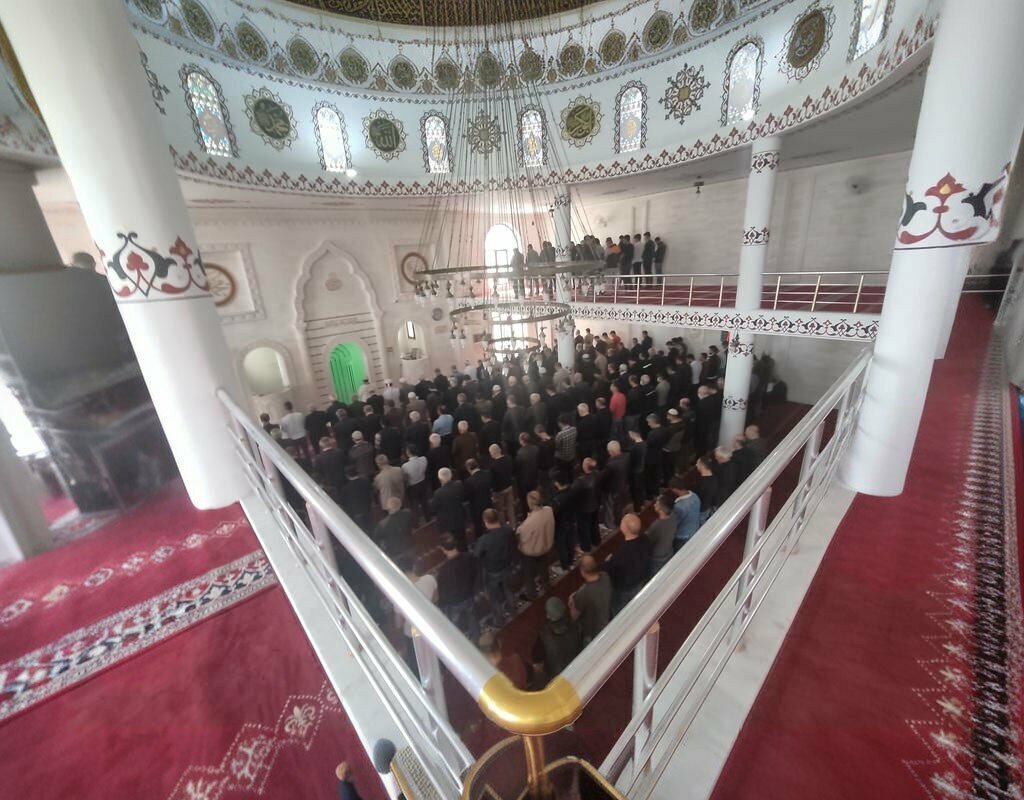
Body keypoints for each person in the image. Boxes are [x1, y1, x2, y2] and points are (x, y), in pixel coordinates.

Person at [472, 509, 517, 626]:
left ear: (486, 522)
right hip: (507, 566)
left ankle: (499, 620)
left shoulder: (484, 540)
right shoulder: (508, 530)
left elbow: (476, 554)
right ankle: (513, 610)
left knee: (494, 597)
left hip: (493, 572)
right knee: (508, 590)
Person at [604, 513, 652, 616]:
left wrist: (607, 562)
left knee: (619, 610)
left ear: (625, 528)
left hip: (623, 589)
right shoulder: (645, 539)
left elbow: (610, 571)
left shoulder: (621, 553)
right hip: (639, 581)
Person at [397, 554, 438, 673]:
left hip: (412, 632)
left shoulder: (400, 593)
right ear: (413, 567)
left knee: (415, 661)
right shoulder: (430, 579)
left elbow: (399, 622)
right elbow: (435, 599)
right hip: (431, 625)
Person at [436, 533, 479, 640]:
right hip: (468, 595)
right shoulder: (468, 557)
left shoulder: (443, 570)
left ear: (443, 549)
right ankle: (477, 641)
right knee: (473, 620)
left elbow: (442, 591)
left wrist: (442, 605)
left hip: (454, 602)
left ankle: (459, 646)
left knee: (454, 627)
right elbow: (474, 574)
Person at [516, 490, 554, 600]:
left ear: (530, 503)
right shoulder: (548, 510)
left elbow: (521, 537)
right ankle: (546, 586)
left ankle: (531, 594)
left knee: (529, 574)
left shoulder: (529, 523)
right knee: (543, 568)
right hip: (546, 546)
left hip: (531, 551)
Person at [532, 597, 581, 680]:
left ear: (548, 615)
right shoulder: (576, 626)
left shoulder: (543, 635)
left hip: (557, 676)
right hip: (577, 668)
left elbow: (536, 659)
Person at [570, 553, 612, 645]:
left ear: (582, 572)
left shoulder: (583, 593)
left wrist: (571, 601)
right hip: (607, 620)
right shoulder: (605, 576)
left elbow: (574, 616)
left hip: (592, 630)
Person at [430, 468, 466, 543]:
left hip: (448, 523)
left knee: (454, 543)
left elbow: (433, 507)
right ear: (451, 475)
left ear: (439, 479)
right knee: (462, 539)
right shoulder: (459, 485)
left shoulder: (438, 493)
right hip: (460, 517)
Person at [572, 458, 601, 552]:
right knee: (594, 524)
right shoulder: (598, 474)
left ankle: (586, 546)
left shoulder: (580, 481)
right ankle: (596, 541)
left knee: (584, 528)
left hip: (584, 508)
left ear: (585, 467)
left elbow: (573, 495)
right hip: (595, 504)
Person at [647, 494, 677, 575]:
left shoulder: (656, 525)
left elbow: (649, 542)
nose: (654, 505)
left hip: (657, 557)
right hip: (669, 551)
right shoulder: (673, 516)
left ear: (661, 508)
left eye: (656, 503)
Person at [669, 477, 701, 550]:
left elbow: (674, 523)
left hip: (683, 535)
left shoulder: (679, 506)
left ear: (675, 489)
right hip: (694, 528)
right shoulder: (695, 496)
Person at [464, 459, 495, 537]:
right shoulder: (487, 474)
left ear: (469, 468)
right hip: (488, 503)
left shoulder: (469, 481)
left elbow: (467, 496)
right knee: (491, 521)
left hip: (476, 508)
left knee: (478, 526)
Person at [489, 444, 516, 526]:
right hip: (509, 487)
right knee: (510, 507)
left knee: (500, 510)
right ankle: (513, 526)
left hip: (499, 491)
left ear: (493, 453)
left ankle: (504, 527)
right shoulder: (508, 459)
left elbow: (493, 481)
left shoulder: (493, 466)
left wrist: (493, 494)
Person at [402, 445, 429, 520]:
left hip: (413, 486)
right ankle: (428, 518)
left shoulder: (405, 466)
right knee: (425, 502)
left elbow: (406, 478)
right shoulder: (424, 459)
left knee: (415, 505)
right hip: (423, 482)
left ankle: (417, 522)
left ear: (408, 453)